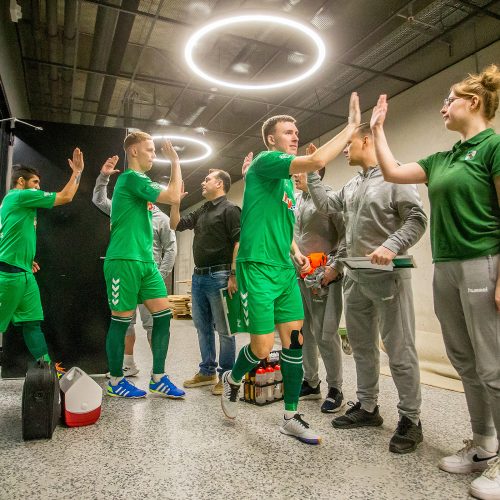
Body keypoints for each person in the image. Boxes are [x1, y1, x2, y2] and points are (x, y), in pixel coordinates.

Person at [370, 65, 500, 498]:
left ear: (474, 103)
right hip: (446, 267)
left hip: (485, 262)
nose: (443, 107)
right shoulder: (443, 158)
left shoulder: (493, 147)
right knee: (464, 361)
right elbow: (391, 171)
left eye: (449, 100)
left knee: (494, 367)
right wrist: (378, 129)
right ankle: (484, 445)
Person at [220, 92, 361, 445]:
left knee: (295, 342)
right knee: (261, 347)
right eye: (287, 131)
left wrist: (295, 250)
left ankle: (291, 416)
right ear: (271, 139)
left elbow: (282, 224)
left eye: (296, 131)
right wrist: (350, 128)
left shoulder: (285, 180)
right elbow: (315, 162)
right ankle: (233, 379)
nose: (295, 135)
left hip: (284, 269)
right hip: (256, 267)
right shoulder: (269, 161)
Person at [307, 122, 427, 454]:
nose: (344, 149)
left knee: (399, 350)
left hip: (389, 277)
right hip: (355, 277)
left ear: (366, 140)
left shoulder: (396, 175)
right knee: (361, 346)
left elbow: (416, 218)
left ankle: (411, 419)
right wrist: (315, 172)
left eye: (348, 143)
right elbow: (328, 206)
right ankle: (368, 407)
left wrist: (392, 245)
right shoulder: (352, 184)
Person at [104, 131, 184, 399]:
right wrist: (174, 161)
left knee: (163, 316)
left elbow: (172, 215)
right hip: (124, 261)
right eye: (149, 149)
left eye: (154, 150)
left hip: (146, 262)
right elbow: (174, 195)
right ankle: (116, 380)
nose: (154, 154)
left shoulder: (140, 183)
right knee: (121, 322)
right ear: (134, 151)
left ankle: (158, 377)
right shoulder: (130, 178)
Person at [92, 155, 177, 377]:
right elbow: (100, 201)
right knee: (125, 322)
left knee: (157, 320)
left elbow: (171, 248)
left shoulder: (160, 217)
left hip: (149, 270)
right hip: (126, 265)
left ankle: (158, 374)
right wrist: (103, 178)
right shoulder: (125, 205)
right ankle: (123, 369)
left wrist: (161, 273)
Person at [0, 150, 84, 368]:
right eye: (35, 182)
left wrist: (24, 258)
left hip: (24, 273)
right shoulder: (19, 196)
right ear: (21, 181)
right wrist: (77, 172)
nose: (38, 187)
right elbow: (66, 196)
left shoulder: (19, 203)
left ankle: (46, 370)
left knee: (31, 324)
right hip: (8, 275)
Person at [170, 169, 240, 395]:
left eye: (207, 179)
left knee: (225, 330)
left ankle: (227, 376)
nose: (203, 182)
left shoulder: (230, 210)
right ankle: (207, 371)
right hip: (199, 276)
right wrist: (174, 202)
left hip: (220, 276)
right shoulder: (203, 209)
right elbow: (176, 225)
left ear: (219, 183)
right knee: (202, 328)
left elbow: (240, 243)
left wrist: (234, 275)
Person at [292, 169, 346, 414]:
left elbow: (345, 236)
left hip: (324, 275)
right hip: (299, 275)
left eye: (302, 171)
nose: (295, 175)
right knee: (305, 332)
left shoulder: (330, 199)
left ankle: (336, 388)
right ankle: (311, 382)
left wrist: (335, 266)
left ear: (317, 174)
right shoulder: (295, 202)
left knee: (326, 333)